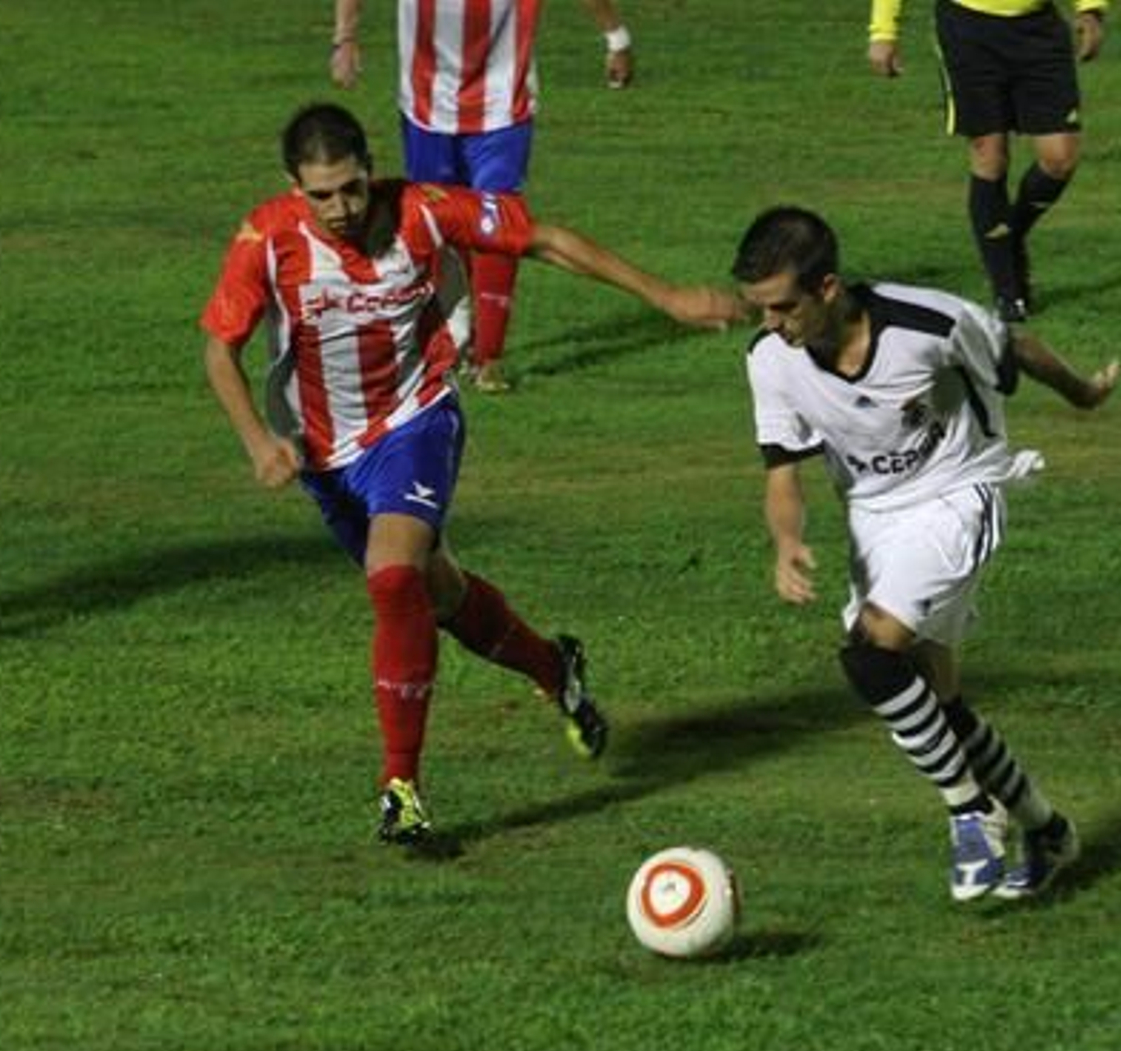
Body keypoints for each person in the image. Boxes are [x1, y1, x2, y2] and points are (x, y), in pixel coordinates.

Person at [201, 103, 738, 844]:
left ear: (370, 169)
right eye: (321, 195)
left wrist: (665, 296)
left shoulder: (422, 212)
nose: (342, 209)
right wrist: (260, 442)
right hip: (324, 456)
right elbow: (217, 349)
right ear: (294, 187)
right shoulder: (266, 239)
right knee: (438, 594)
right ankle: (555, 668)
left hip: (416, 422)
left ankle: (402, 788)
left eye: (352, 188)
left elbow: (543, 238)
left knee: (392, 577)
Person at [732, 206, 1119, 900]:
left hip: (956, 495)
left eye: (782, 307)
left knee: (870, 651)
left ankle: (970, 810)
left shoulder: (926, 324)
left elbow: (1013, 347)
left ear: (827, 289)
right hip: (873, 521)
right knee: (939, 702)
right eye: (759, 309)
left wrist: (1083, 394)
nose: (771, 324)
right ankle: (1049, 829)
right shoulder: (771, 361)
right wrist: (787, 541)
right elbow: (781, 471)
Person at [330, 0, 637, 393]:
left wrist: (616, 37)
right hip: (426, 104)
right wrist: (345, 37)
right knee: (440, 226)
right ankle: (452, 332)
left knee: (497, 223)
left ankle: (489, 356)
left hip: (502, 105)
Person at [867, 0, 1111, 323]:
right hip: (967, 29)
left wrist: (1090, 9)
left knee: (1059, 158)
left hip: (1038, 30)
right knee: (989, 152)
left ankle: (1007, 236)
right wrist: (883, 30)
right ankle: (1006, 291)